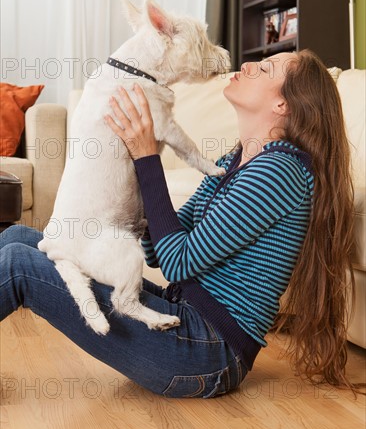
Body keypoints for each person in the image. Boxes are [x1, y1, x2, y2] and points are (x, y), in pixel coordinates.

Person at [0, 49, 359, 398]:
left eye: (265, 70)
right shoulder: (232, 161)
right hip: (183, 319)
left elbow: (177, 261)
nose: (248, 64)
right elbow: (159, 251)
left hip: (207, 351)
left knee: (18, 264)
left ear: (282, 105)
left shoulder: (279, 172)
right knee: (18, 237)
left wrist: (147, 156)